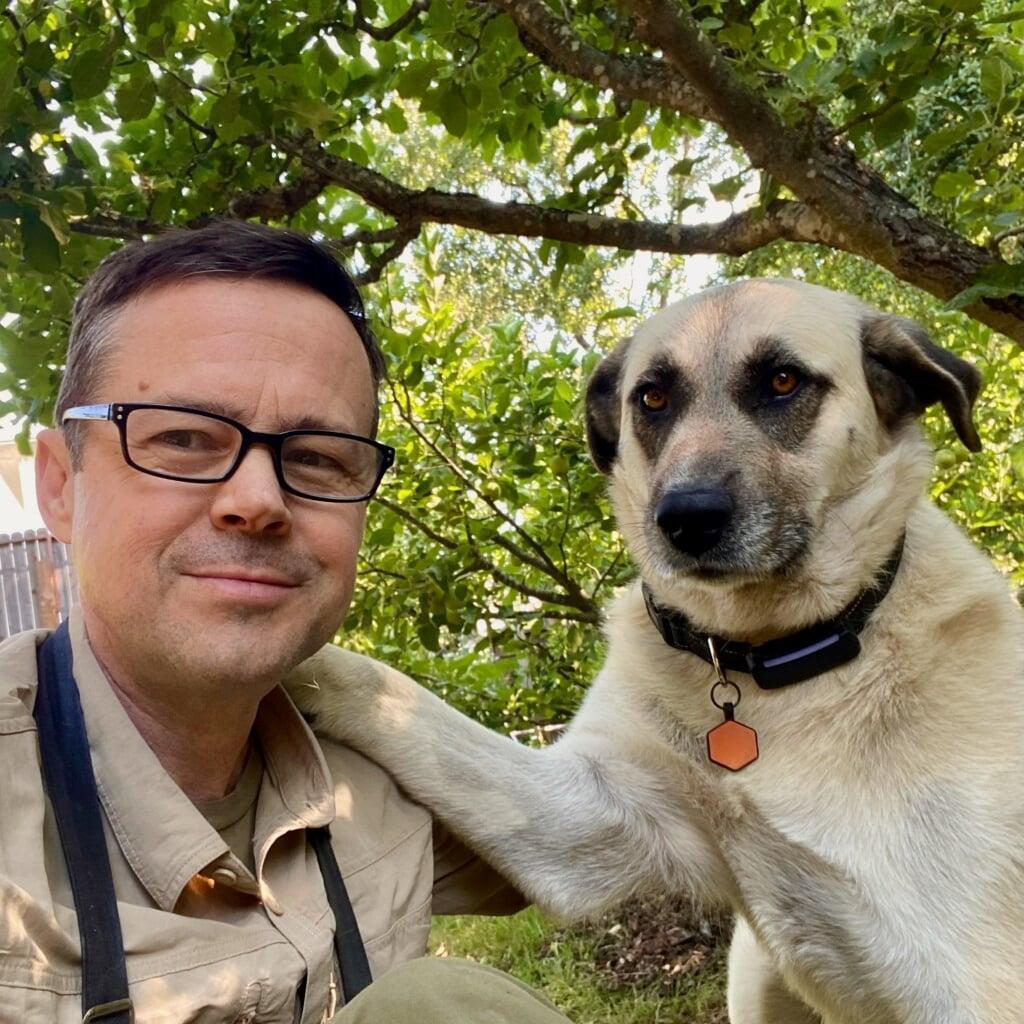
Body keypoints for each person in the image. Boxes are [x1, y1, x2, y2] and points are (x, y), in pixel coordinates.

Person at [0, 221, 573, 1023]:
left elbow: (617, 835)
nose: (259, 500)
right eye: (185, 439)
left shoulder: (383, 759)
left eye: (316, 458)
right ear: (60, 486)